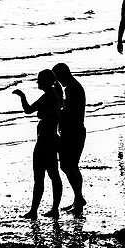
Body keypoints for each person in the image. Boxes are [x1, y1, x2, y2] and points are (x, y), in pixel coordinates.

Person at [13, 70, 63, 219]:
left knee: (41, 177)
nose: (37, 82)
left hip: (44, 141)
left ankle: (35, 211)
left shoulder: (48, 96)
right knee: (53, 175)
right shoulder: (54, 94)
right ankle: (53, 209)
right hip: (52, 140)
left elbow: (28, 110)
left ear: (47, 81)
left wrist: (22, 97)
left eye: (40, 80)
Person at [52, 63, 86, 212]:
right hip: (75, 130)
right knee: (71, 166)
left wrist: (58, 102)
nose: (57, 82)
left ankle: (78, 199)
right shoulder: (73, 87)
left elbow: (68, 111)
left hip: (72, 131)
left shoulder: (72, 89)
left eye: (57, 78)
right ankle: (78, 198)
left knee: (68, 166)